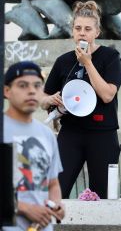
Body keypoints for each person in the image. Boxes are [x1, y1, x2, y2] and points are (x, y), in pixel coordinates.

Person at [41, 0, 121, 199]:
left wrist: (87, 63)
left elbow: (107, 94)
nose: (82, 33)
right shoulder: (63, 61)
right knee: (55, 192)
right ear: (72, 31)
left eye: (88, 29)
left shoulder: (110, 57)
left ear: (97, 32)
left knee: (102, 195)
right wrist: (50, 99)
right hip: (71, 133)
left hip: (102, 134)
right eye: (77, 28)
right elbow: (43, 98)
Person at [3, 60, 65, 231]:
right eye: (23, 85)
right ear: (6, 91)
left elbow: (52, 184)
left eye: (37, 86)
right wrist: (24, 208)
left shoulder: (46, 135)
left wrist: (57, 205)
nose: (31, 91)